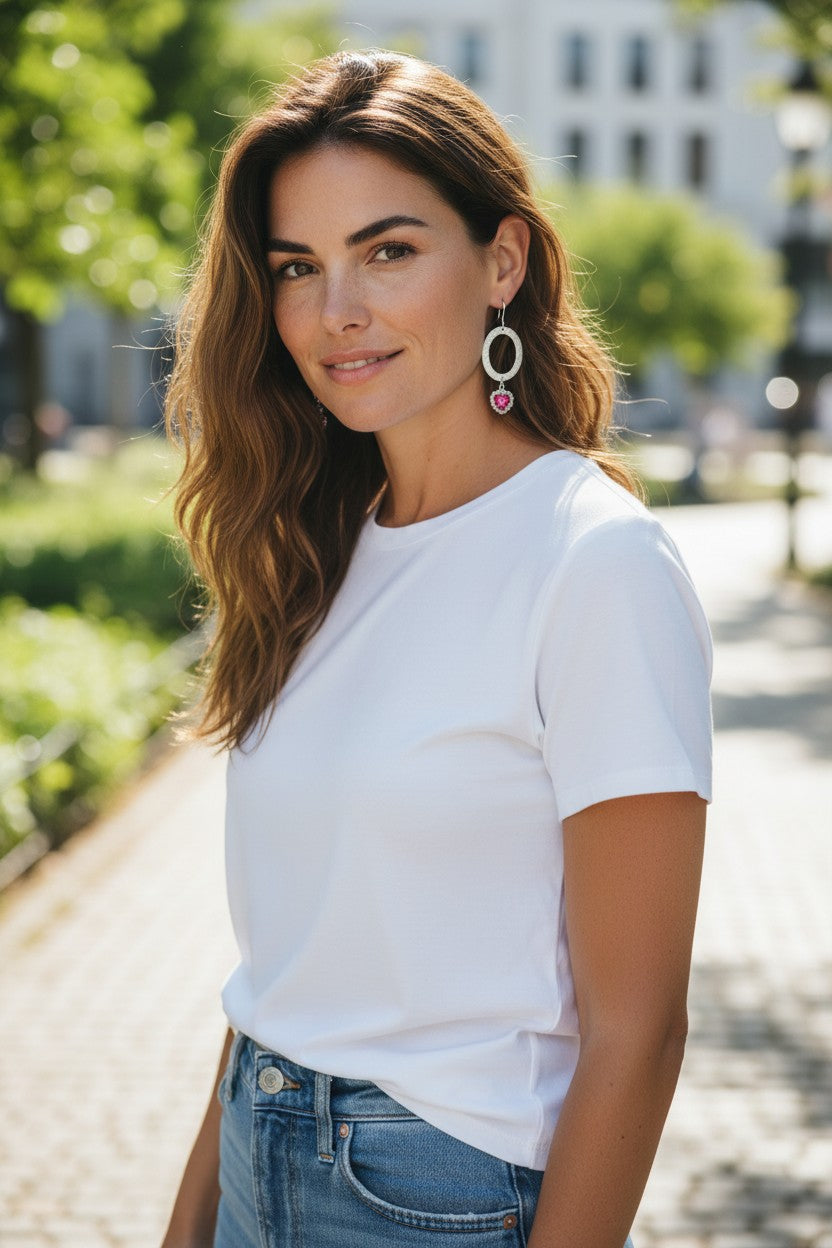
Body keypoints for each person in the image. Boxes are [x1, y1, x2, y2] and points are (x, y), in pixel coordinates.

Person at [161, 49, 712, 1248]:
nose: (336, 312)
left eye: (389, 251)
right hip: (256, 1144)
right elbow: (289, 967)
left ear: (502, 261)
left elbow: (638, 1034)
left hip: (431, 1195)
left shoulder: (594, 562)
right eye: (297, 268)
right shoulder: (318, 550)